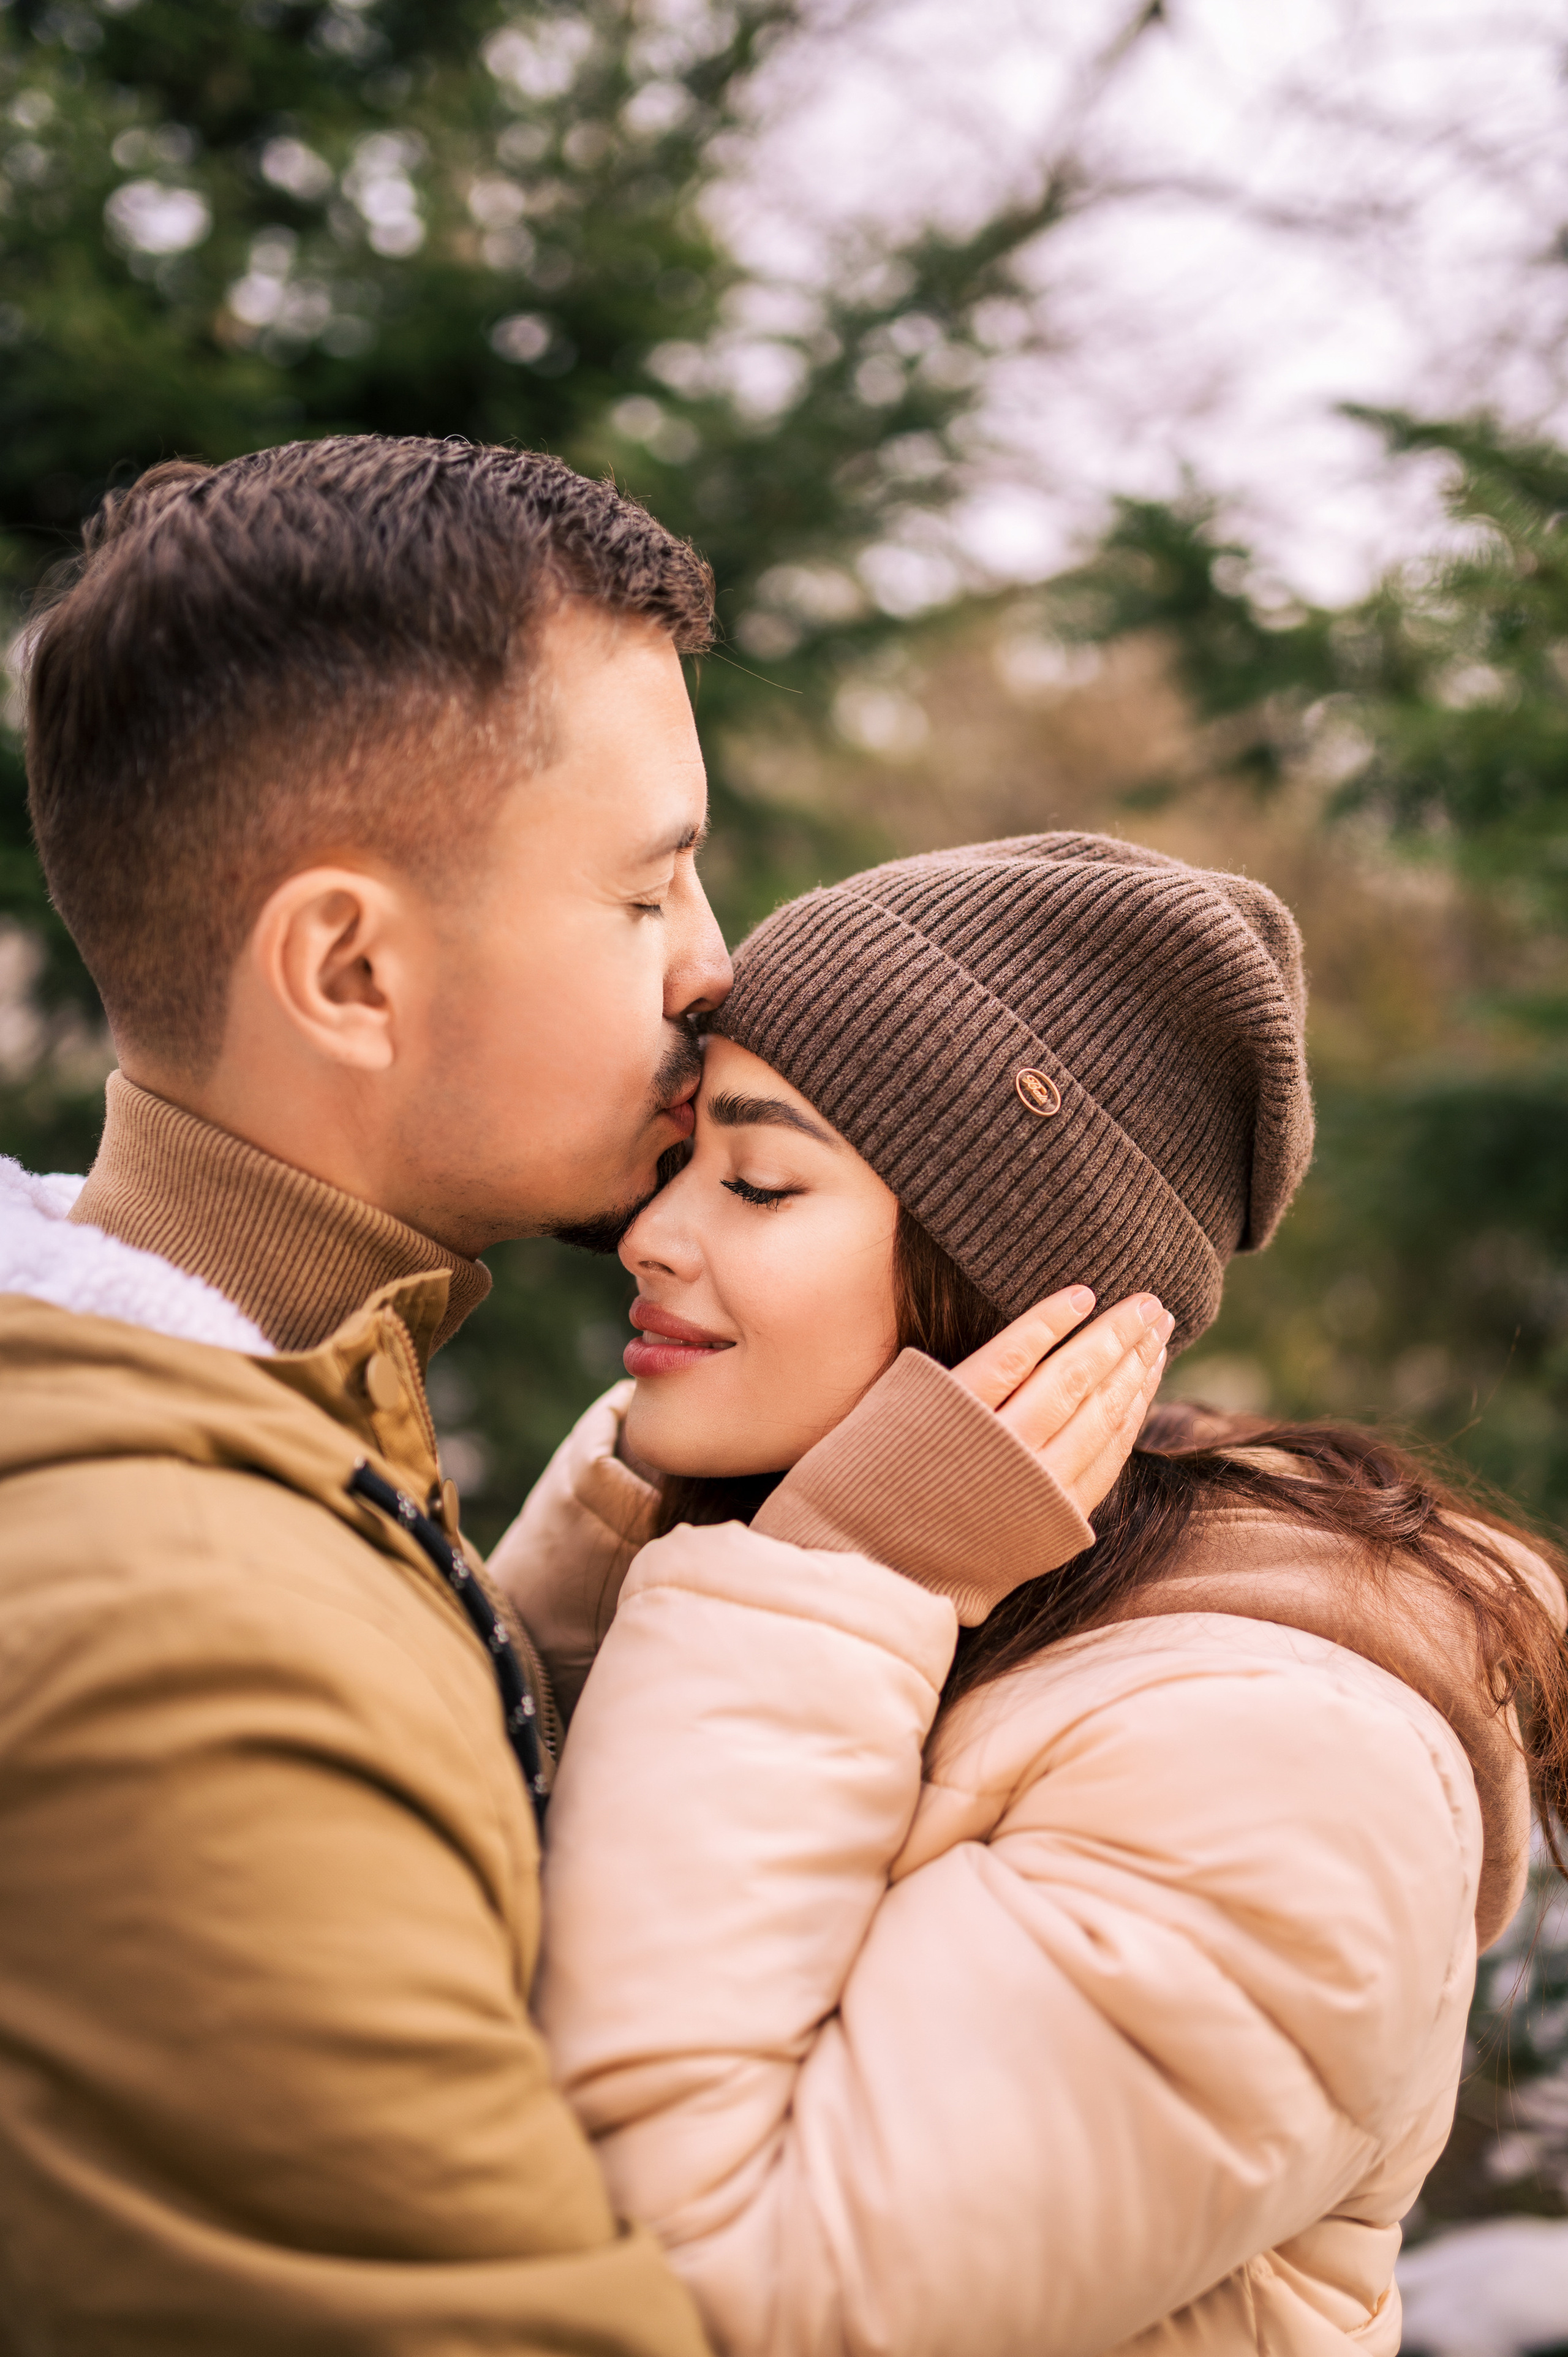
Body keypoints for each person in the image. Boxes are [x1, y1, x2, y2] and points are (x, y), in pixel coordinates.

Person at [0, 441, 1157, 2354]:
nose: (718, 971)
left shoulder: (265, 1438)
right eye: (649, 892)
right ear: (350, 969)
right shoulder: (180, 1639)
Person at [494, 834, 1568, 2357]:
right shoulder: (777, 1566)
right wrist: (628, 1547)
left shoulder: (1285, 1772)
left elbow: (715, 2288)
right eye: (679, 1166)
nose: (653, 1233)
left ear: (1003, 1286)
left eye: (757, 1179)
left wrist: (839, 1572)